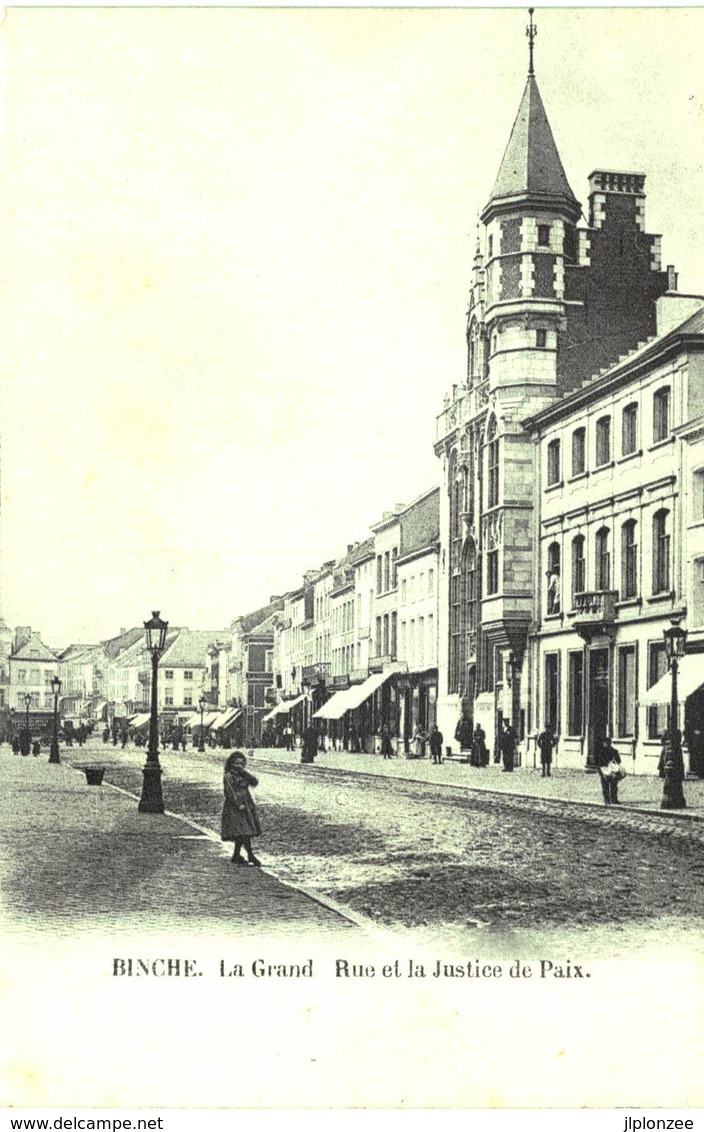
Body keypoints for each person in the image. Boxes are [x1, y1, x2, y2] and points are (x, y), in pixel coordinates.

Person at [221, 751, 262, 866]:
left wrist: (246, 773)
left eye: (241, 764)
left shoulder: (243, 774)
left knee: (243, 831)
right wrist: (238, 804)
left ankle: (236, 855)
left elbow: (254, 782)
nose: (239, 766)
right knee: (244, 831)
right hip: (234, 807)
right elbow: (229, 792)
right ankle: (250, 855)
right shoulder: (228, 776)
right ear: (231, 763)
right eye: (236, 763)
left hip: (246, 804)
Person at [595, 735, 622, 805]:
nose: (606, 744)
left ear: (610, 743)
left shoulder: (614, 751)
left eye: (607, 743)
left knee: (613, 786)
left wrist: (614, 761)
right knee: (606, 786)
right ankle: (608, 800)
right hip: (604, 771)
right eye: (605, 743)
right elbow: (598, 764)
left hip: (612, 771)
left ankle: (613, 799)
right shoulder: (601, 752)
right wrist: (601, 773)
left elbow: (619, 761)